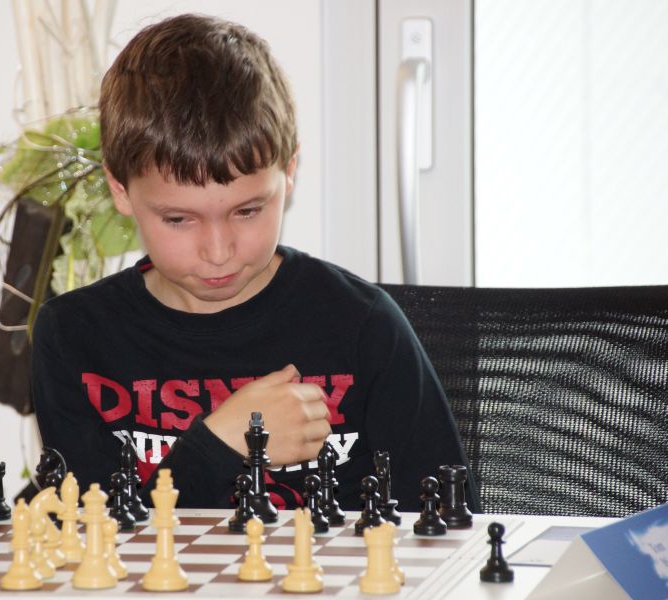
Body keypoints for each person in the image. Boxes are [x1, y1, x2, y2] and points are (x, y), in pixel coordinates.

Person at [32, 13, 479, 512]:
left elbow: (452, 515)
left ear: (288, 173)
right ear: (120, 189)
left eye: (247, 211)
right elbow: (91, 538)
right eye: (179, 219)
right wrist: (221, 446)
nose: (218, 250)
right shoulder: (73, 336)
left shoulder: (361, 326)